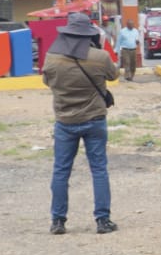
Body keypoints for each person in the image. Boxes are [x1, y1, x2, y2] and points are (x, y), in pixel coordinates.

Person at [41, 12, 118, 235]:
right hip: (94, 120)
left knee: (61, 171)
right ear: (89, 35)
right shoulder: (100, 57)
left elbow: (47, 81)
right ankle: (103, 220)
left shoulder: (52, 57)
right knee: (99, 170)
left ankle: (58, 221)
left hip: (65, 121)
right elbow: (113, 75)